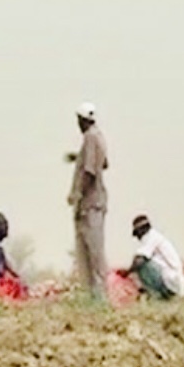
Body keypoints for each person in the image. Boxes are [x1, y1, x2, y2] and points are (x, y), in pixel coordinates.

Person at [66, 102, 109, 299]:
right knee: (92, 249)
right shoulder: (98, 136)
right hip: (96, 201)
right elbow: (103, 163)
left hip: (90, 203)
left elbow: (90, 172)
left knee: (91, 252)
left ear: (82, 120)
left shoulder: (90, 137)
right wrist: (80, 157)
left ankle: (98, 295)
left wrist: (78, 194)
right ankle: (95, 294)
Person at [119, 215, 184, 300]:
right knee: (137, 266)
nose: (138, 238)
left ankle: (157, 294)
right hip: (174, 281)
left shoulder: (151, 237)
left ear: (142, 230)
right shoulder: (155, 237)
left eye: (137, 233)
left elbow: (140, 260)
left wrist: (126, 273)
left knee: (141, 264)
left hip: (170, 281)